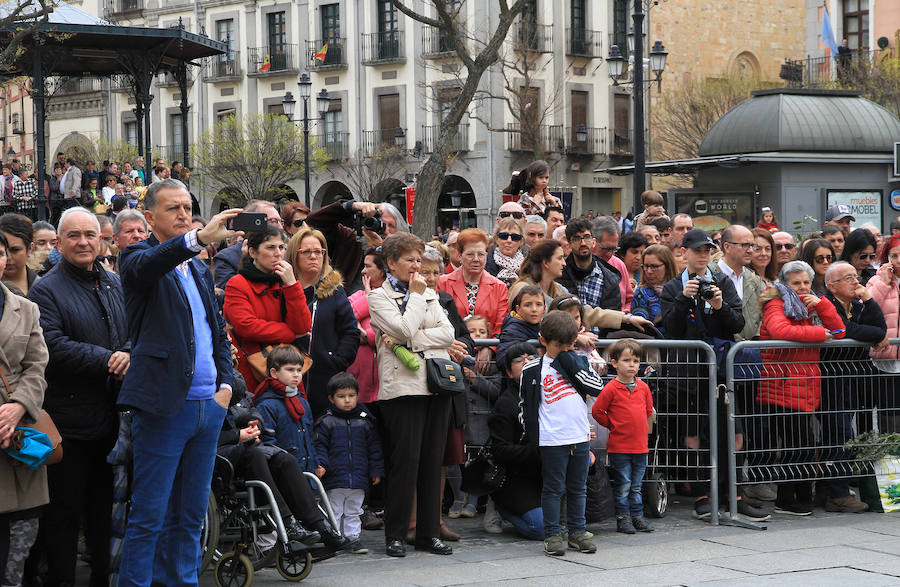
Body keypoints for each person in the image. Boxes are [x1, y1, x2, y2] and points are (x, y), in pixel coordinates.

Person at [117, 179, 238, 585]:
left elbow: (217, 332)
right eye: (173, 208)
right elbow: (149, 264)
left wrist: (225, 386)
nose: (184, 214)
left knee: (190, 516)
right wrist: (197, 239)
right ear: (149, 217)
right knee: (149, 515)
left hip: (208, 407)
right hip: (165, 406)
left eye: (187, 207)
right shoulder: (136, 257)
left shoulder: (199, 267)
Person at [26, 208, 128, 587]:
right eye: (74, 236)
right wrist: (110, 360)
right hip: (69, 425)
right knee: (63, 519)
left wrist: (128, 353)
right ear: (59, 242)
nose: (83, 242)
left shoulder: (115, 283)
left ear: (101, 239)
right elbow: (52, 346)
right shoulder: (46, 289)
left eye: (90, 234)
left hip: (113, 422)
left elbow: (135, 331)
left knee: (105, 516)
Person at [368, 232, 456, 558]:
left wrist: (412, 339)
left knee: (432, 463)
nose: (417, 266)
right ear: (391, 263)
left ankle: (428, 534)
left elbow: (447, 334)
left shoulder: (429, 293)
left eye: (419, 259)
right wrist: (416, 303)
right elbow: (401, 329)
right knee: (405, 464)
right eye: (410, 260)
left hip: (436, 384)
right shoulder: (378, 297)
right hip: (403, 389)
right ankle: (396, 534)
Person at [659, 229, 757, 520]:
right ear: (684, 252)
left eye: (707, 250)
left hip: (721, 372)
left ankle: (734, 494)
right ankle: (702, 493)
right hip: (688, 374)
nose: (703, 255)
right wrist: (683, 299)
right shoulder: (673, 287)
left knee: (733, 433)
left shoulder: (721, 282)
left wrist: (719, 305)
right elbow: (672, 329)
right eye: (697, 250)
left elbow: (737, 323)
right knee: (694, 436)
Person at [216, 355, 347, 549]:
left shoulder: (235, 381)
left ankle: (319, 526)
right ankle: (287, 522)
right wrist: (237, 435)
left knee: (284, 458)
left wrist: (254, 424)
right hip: (219, 452)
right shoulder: (211, 384)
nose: (234, 350)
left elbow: (252, 410)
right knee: (256, 454)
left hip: (245, 445)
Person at [757, 260, 846, 516]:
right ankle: (787, 499)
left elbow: (840, 331)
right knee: (796, 445)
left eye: (806, 282)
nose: (803, 287)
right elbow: (779, 330)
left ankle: (802, 496)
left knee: (803, 445)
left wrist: (823, 305)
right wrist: (819, 333)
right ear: (785, 284)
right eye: (796, 283)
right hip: (783, 383)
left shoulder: (810, 305)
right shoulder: (776, 303)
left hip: (804, 383)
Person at [519, 310, 600, 556]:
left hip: (579, 436)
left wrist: (574, 365)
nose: (564, 350)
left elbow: (597, 387)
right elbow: (524, 405)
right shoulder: (532, 369)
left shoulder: (579, 362)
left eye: (569, 345)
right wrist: (532, 433)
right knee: (553, 488)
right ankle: (553, 534)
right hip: (551, 438)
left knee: (578, 487)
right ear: (543, 340)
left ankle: (578, 532)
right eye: (559, 346)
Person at [0, 230, 50, 587]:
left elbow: (37, 366)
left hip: (17, 436)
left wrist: (18, 406)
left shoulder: (25, 308)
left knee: (19, 542)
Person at [822, 260, 885, 512]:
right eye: (847, 278)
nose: (855, 281)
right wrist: (875, 335)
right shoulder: (827, 303)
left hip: (850, 377)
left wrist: (868, 300)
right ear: (832, 286)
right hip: (829, 378)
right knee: (839, 434)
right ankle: (837, 493)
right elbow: (846, 330)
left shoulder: (857, 305)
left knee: (844, 433)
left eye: (854, 276)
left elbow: (880, 327)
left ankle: (835, 490)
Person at [223, 225, 312, 388]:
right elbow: (247, 327)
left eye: (281, 247)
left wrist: (292, 284)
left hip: (286, 369)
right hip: (254, 368)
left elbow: (304, 326)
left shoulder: (285, 280)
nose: (278, 253)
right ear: (252, 252)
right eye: (270, 247)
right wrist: (291, 333)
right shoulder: (237, 284)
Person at [287, 227, 359, 416]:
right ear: (294, 255)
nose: (313, 256)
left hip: (325, 377)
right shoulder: (283, 288)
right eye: (306, 252)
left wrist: (335, 361)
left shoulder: (334, 291)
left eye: (319, 252)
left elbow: (350, 332)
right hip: (287, 375)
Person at [315, 372, 385, 555]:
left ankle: (353, 538)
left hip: (359, 476)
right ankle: (334, 538)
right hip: (335, 477)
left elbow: (374, 448)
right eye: (341, 396)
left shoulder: (365, 421)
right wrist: (321, 465)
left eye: (351, 395)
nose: (347, 400)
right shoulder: (326, 421)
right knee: (334, 509)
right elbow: (320, 446)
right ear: (331, 398)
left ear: (357, 396)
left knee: (355, 509)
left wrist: (376, 470)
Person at [592, 338, 654, 534]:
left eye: (636, 361)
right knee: (624, 484)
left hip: (640, 446)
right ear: (614, 363)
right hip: (620, 447)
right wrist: (613, 424)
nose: (632, 365)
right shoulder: (611, 388)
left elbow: (648, 410)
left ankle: (637, 516)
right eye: (626, 360)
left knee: (636, 485)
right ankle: (623, 517)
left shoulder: (643, 387)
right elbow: (597, 411)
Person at [486, 341, 543, 540]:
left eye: (532, 358)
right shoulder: (505, 404)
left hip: (546, 473)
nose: (526, 362)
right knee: (541, 528)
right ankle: (500, 507)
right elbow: (500, 451)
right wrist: (538, 450)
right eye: (519, 360)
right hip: (515, 477)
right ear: (509, 373)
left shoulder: (549, 395)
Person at [252, 343, 319, 474]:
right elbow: (268, 444)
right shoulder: (266, 405)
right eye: (290, 369)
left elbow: (310, 437)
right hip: (283, 473)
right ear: (274, 373)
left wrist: (316, 462)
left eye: (299, 370)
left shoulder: (302, 402)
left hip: (308, 471)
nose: (296, 374)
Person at [440, 228, 509, 338]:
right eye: (470, 254)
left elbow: (500, 328)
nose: (476, 259)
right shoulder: (442, 283)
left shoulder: (499, 287)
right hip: (452, 345)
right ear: (460, 255)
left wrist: (489, 346)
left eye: (481, 254)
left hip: (488, 347)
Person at [557, 218, 622, 318]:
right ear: (569, 245)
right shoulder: (559, 274)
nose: (583, 243)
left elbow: (613, 317)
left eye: (587, 237)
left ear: (594, 242)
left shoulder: (609, 279)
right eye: (577, 239)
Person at [213, 200, 283, 290]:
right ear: (252, 223)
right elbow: (228, 293)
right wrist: (246, 264)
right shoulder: (226, 258)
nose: (280, 227)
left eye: (281, 221)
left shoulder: (284, 254)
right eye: (273, 221)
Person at [713, 225, 767, 341]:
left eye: (752, 245)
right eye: (745, 245)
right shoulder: (709, 275)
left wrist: (755, 340)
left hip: (753, 349)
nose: (750, 250)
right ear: (727, 247)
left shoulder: (755, 280)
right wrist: (736, 341)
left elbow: (766, 314)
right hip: (721, 347)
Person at [347, 247, 387, 405]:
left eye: (368, 266)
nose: (363, 271)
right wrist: (369, 298)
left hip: (385, 383)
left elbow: (388, 331)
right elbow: (344, 319)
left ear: (382, 270)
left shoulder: (393, 298)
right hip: (357, 384)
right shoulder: (358, 296)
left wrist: (366, 335)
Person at [508, 240, 569, 310]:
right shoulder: (522, 288)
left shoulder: (561, 290)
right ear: (546, 262)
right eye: (559, 258)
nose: (564, 263)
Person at [497, 285, 544, 369]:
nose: (534, 309)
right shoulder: (512, 331)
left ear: (544, 308)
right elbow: (503, 360)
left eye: (539, 304)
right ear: (518, 309)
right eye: (528, 305)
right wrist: (536, 356)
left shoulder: (543, 328)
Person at [592, 215, 634, 311]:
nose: (610, 254)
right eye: (606, 249)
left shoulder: (619, 265)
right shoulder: (583, 265)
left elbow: (629, 299)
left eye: (614, 249)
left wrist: (626, 310)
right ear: (593, 242)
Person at [631, 244, 677, 327]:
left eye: (654, 266)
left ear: (667, 267)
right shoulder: (641, 294)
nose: (649, 271)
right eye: (646, 266)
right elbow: (642, 327)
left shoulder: (680, 289)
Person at [0, 214, 37, 296]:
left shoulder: (46, 287)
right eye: (1, 253)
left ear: (30, 249)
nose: (8, 257)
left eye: (15, 250)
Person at [484, 218, 525, 287]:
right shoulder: (484, 263)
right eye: (504, 236)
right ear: (496, 239)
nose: (509, 240)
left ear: (521, 242)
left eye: (515, 237)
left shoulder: (529, 266)